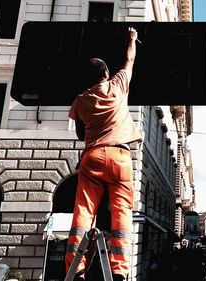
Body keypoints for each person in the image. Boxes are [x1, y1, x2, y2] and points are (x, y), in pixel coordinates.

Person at [65, 27, 142, 281]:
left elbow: (79, 133)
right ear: (107, 74)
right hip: (121, 156)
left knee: (83, 212)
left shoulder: (80, 100)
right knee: (122, 212)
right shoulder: (117, 86)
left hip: (93, 155)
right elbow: (129, 60)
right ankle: (119, 270)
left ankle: (76, 269)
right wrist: (131, 39)